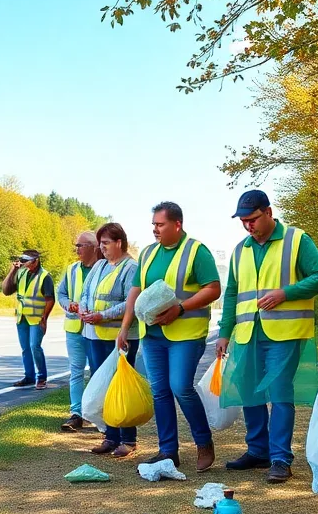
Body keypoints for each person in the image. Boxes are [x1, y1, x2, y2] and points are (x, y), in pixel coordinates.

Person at [217, 189, 318, 483]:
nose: (248, 225)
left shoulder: (297, 240)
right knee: (249, 390)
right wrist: (224, 333)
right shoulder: (240, 249)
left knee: (280, 392)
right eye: (243, 221)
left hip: (285, 332)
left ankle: (280, 458)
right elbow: (231, 293)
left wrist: (286, 293)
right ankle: (258, 451)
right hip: (247, 332)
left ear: (268, 212)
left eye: (252, 219)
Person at [118, 201, 221, 471]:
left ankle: (204, 442)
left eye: (160, 225)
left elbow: (213, 288)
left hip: (186, 333)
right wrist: (124, 327)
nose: (155, 230)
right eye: (153, 224)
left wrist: (181, 309)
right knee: (160, 391)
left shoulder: (197, 251)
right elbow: (135, 291)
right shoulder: (149, 253)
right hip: (152, 334)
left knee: (180, 387)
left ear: (177, 224)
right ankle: (168, 451)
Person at [81, 222, 142, 457]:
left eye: (106, 243)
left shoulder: (131, 268)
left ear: (119, 242)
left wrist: (102, 316)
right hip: (95, 335)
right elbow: (87, 293)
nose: (102, 248)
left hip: (121, 337)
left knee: (120, 387)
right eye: (100, 244)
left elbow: (130, 303)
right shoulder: (99, 266)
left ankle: (128, 438)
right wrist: (84, 310)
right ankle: (110, 435)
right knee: (103, 386)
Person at [56, 231, 99, 431]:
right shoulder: (72, 269)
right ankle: (76, 414)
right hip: (74, 328)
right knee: (76, 371)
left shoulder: (103, 268)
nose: (77, 250)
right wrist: (68, 305)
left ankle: (98, 414)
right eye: (76, 246)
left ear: (93, 247)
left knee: (97, 372)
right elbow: (61, 293)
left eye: (80, 245)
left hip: (97, 328)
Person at [2, 249, 54, 389]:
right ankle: (29, 376)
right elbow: (6, 290)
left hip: (37, 319)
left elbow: (50, 299)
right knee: (25, 348)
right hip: (22, 317)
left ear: (36, 261)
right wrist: (13, 270)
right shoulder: (22, 273)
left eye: (26, 261)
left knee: (34, 346)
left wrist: (45, 318)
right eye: (22, 261)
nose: (23, 263)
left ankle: (41, 377)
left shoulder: (45, 276)